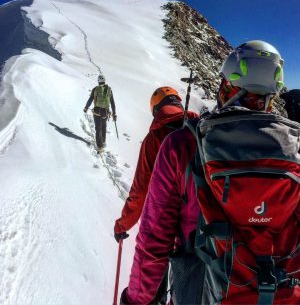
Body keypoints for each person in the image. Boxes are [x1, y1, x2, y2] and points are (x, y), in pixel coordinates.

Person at [120, 40, 300, 305]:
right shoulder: (295, 148)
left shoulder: (184, 144)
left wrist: (136, 300)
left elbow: (154, 238)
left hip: (201, 291)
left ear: (226, 86)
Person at [115, 86, 198, 304]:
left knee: (155, 283)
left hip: (162, 226)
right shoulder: (201, 129)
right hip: (200, 234)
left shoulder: (154, 139)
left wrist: (123, 224)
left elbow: (140, 191)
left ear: (156, 109)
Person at [84, 75, 116, 151]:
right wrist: (114, 113)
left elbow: (90, 99)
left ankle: (100, 146)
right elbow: (112, 102)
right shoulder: (109, 90)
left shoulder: (95, 89)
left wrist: (86, 107)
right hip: (105, 111)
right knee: (103, 126)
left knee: (98, 128)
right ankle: (103, 142)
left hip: (97, 111)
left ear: (98, 81)